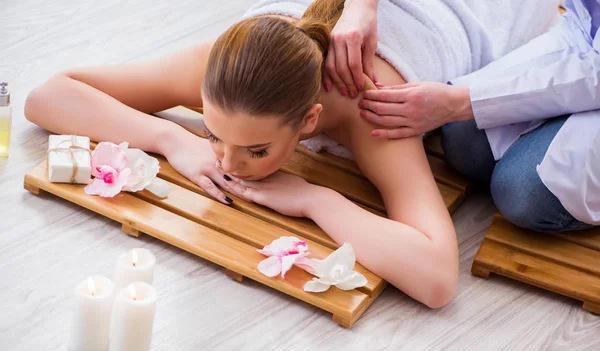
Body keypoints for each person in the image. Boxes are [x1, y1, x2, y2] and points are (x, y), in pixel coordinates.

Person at [24, 0, 558, 308]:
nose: (228, 164)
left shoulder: (372, 109)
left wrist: (313, 199)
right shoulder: (224, 66)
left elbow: (438, 276)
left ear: (309, 122)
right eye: (214, 133)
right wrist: (173, 139)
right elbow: (48, 96)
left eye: (255, 150)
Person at [358, 0, 599, 232]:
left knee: (520, 194)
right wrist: (360, 7)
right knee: (462, 142)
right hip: (583, 33)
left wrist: (462, 102)